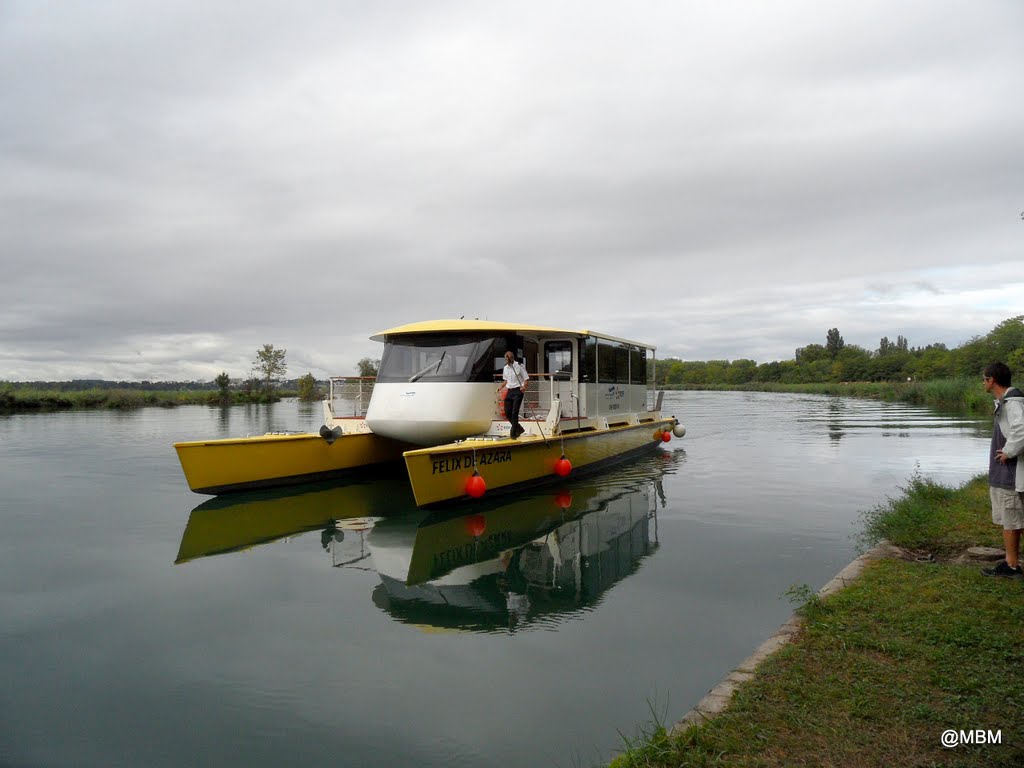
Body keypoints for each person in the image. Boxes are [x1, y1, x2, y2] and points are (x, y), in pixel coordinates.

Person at [981, 362, 1024, 578]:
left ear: (992, 380)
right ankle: (1012, 563)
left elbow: (1022, 429)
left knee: (1012, 521)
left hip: (1011, 474)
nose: (983, 383)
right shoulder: (1006, 401)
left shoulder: (1013, 402)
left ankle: (1012, 566)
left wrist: (1008, 451)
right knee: (1013, 520)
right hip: (1005, 473)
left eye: (984, 379)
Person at [497, 350, 529, 439]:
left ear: (511, 358)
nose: (506, 360)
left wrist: (524, 387)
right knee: (508, 413)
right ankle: (519, 428)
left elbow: (526, 379)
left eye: (507, 358)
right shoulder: (505, 368)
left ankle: (513, 433)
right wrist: (501, 387)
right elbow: (506, 380)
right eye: (505, 358)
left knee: (515, 412)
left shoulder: (519, 366)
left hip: (518, 391)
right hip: (510, 391)